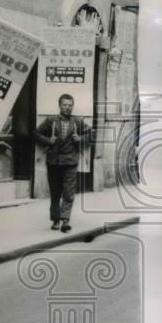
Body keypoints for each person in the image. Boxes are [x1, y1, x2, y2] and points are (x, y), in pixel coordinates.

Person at [34, 93, 92, 233]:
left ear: (72, 107)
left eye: (70, 105)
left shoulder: (77, 122)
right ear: (59, 105)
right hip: (54, 162)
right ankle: (55, 220)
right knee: (55, 193)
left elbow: (91, 134)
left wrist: (80, 138)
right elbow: (36, 134)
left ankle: (65, 220)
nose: (67, 108)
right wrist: (49, 141)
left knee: (69, 193)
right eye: (65, 105)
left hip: (71, 162)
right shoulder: (51, 120)